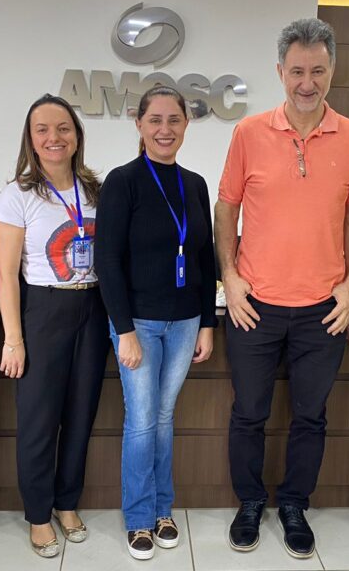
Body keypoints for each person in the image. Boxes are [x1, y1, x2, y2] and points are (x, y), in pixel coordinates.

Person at [215, 18, 349, 559]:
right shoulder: (248, 132)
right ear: (280, 71)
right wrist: (231, 278)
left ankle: (295, 505)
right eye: (298, 71)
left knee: (310, 416)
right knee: (248, 413)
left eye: (318, 71)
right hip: (254, 305)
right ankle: (250, 501)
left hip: (323, 308)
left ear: (333, 70)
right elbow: (226, 208)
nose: (308, 83)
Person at [95, 85, 217, 561]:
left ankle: (164, 509)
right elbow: (107, 260)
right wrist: (123, 330)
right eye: (155, 120)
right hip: (139, 324)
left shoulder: (195, 184)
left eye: (174, 120)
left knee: (164, 418)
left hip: (185, 322)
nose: (165, 129)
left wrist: (206, 324)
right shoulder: (122, 181)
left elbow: (204, 259)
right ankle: (140, 517)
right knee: (143, 421)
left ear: (186, 125)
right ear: (139, 124)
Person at [0, 94, 108, 558]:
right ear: (30, 138)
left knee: (80, 415)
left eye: (63, 128)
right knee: (39, 421)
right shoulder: (17, 195)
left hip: (93, 309)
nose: (53, 137)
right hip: (42, 310)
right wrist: (13, 339)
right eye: (42, 129)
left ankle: (66, 502)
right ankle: (39, 514)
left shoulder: (96, 190)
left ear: (77, 135)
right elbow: (6, 274)